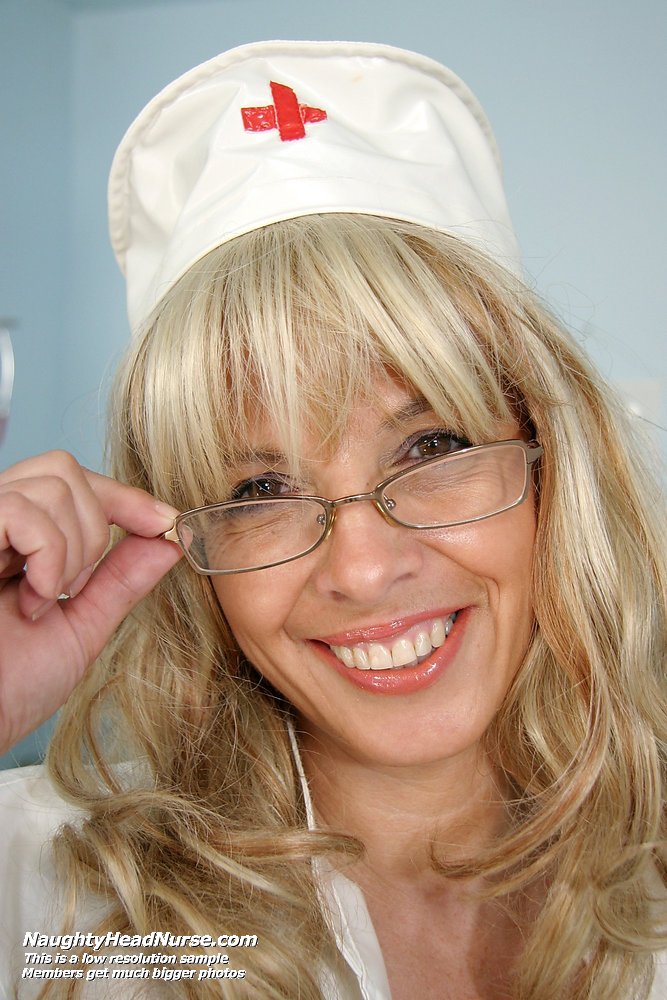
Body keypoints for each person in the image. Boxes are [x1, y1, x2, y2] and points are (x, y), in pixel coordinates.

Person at [0, 40, 664, 1000]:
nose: (361, 569)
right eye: (258, 492)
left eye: (430, 447)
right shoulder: (49, 901)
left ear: (554, 466)